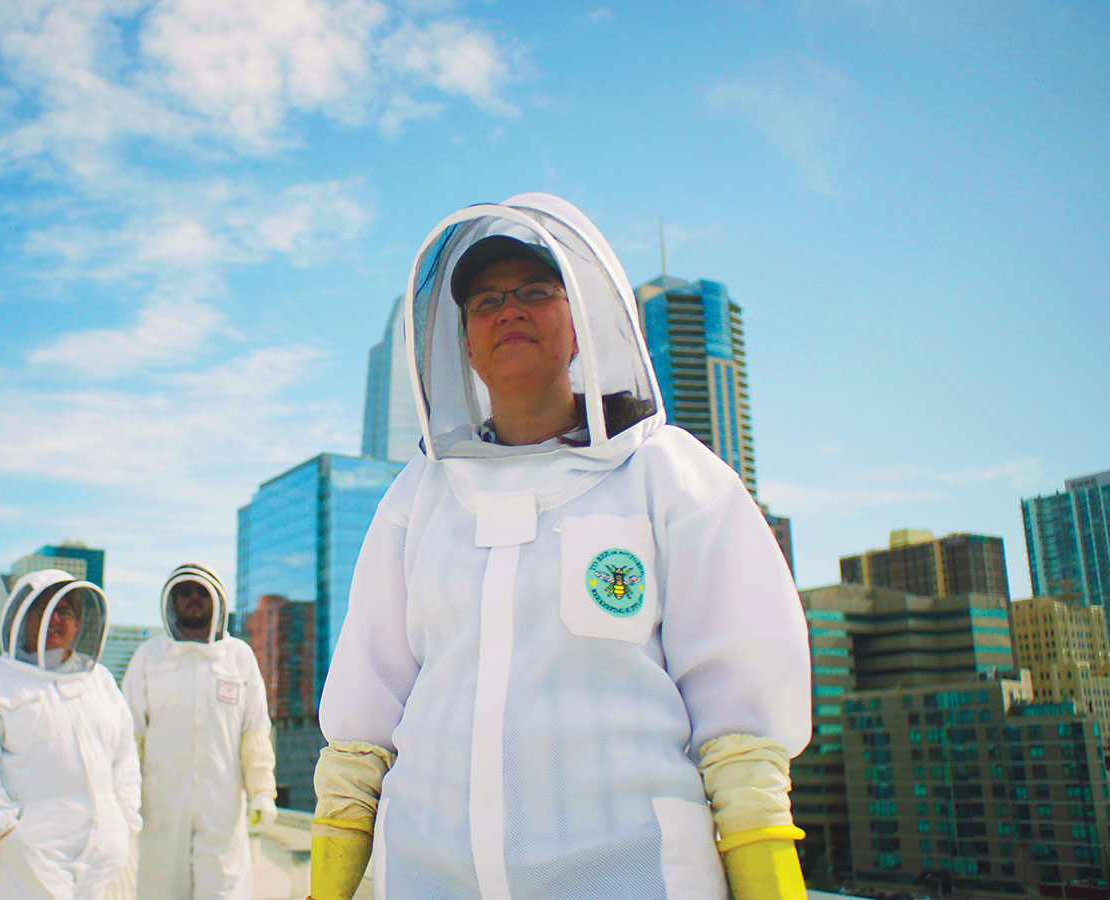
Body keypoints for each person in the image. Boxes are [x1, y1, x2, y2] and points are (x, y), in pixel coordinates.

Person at [310, 194, 812, 900]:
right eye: (485, 301)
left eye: (535, 293)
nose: (508, 310)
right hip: (424, 877)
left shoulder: (670, 474)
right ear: (464, 346)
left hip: (636, 877)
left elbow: (741, 722)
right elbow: (365, 717)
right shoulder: (418, 497)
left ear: (580, 326)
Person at [0, 569, 142, 900]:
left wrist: (123, 821)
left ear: (79, 624)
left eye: (66, 611)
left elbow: (124, 756)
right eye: (46, 608)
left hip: (101, 852)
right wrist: (7, 830)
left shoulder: (101, 682)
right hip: (28, 855)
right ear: (24, 616)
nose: (56, 619)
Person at [120, 563, 277, 900]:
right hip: (160, 806)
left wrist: (262, 790)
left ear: (216, 600)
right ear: (171, 602)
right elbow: (129, 738)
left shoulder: (239, 658)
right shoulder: (148, 658)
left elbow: (255, 732)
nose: (193, 599)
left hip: (221, 805)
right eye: (184, 592)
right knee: (159, 890)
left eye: (201, 593)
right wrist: (124, 797)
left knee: (223, 890)